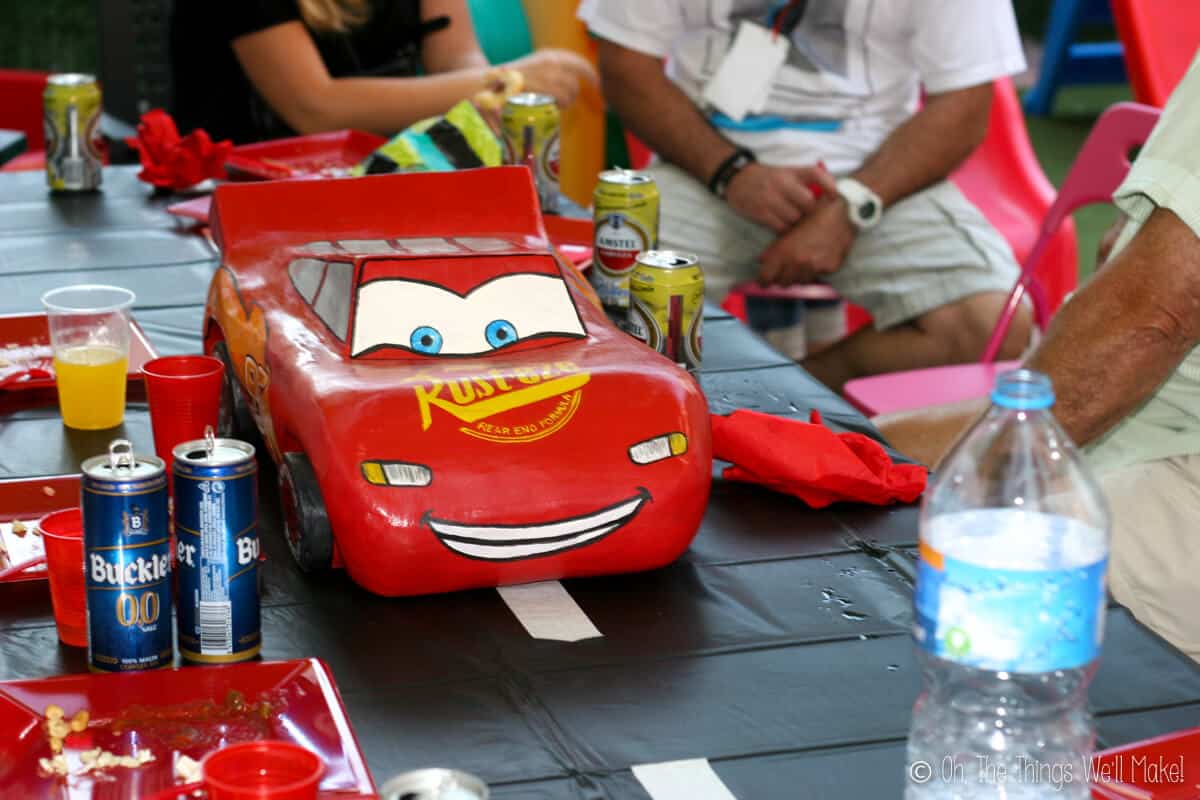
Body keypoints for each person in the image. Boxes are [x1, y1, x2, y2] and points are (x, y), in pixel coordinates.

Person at [878, 52, 1200, 663]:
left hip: (1174, 466)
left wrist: (946, 484)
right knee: (863, 469)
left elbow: (1153, 321)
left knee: (893, 572)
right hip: (1149, 426)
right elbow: (1135, 263)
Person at [577, 0, 1032, 391]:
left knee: (995, 325)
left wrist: (852, 206)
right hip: (704, 168)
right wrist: (732, 174)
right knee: (597, 309)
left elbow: (966, 104)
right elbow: (625, 64)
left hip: (879, 174)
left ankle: (800, 387)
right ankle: (712, 406)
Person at [171, 0, 597, 144]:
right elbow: (314, 106)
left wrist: (487, 98)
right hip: (242, 203)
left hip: (382, 184)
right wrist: (498, 82)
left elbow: (456, 58)